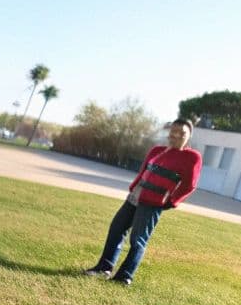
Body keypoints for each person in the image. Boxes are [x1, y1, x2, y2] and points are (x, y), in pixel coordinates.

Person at [86, 119, 202, 286]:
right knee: (116, 229)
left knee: (138, 239)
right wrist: (133, 187)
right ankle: (104, 268)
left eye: (182, 133)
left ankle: (124, 277)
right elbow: (143, 171)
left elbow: (189, 185)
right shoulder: (157, 150)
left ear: (189, 136)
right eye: (173, 131)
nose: (176, 135)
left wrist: (171, 201)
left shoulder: (192, 157)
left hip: (154, 202)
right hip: (135, 197)